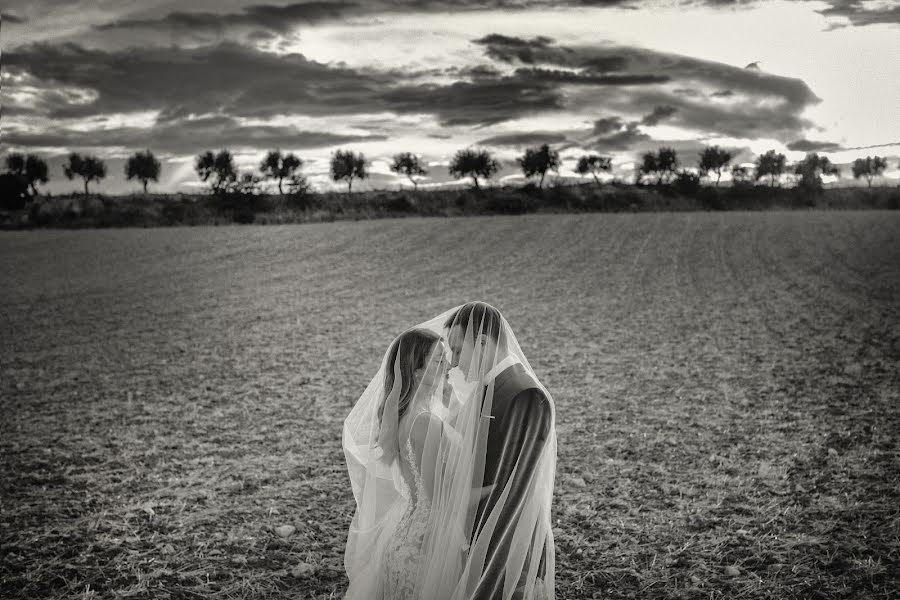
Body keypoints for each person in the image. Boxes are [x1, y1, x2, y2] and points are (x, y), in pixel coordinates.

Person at [342, 303, 556, 600]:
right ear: (417, 372)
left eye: (454, 354)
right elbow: (442, 498)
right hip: (427, 547)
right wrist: (492, 491)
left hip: (412, 535)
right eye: (441, 360)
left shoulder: (417, 416)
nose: (451, 365)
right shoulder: (425, 422)